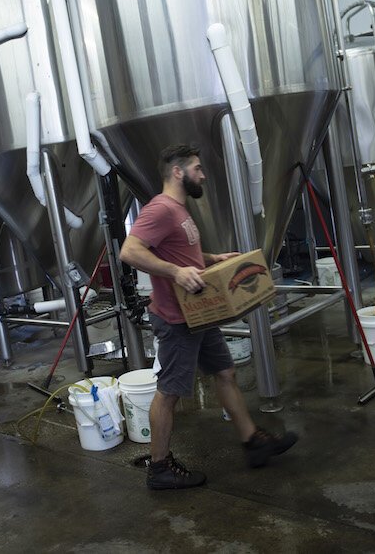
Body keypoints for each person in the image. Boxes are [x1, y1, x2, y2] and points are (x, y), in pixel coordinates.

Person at [120, 144, 298, 490]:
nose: (203, 175)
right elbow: (130, 251)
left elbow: (176, 249)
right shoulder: (160, 208)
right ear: (178, 172)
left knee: (225, 372)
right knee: (170, 391)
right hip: (176, 321)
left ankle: (252, 442)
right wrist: (175, 272)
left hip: (198, 315)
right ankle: (159, 468)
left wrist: (210, 258)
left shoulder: (179, 211)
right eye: (198, 168)